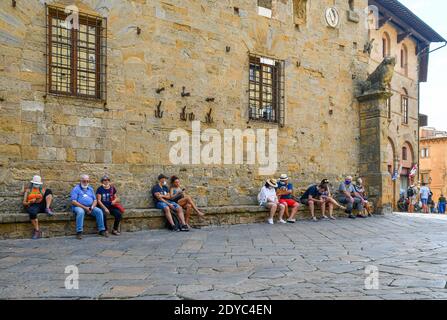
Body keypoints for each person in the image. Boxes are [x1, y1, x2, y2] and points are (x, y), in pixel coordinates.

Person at [71, 174, 107, 239]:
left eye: (87, 181)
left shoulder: (90, 189)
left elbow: (95, 200)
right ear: (81, 181)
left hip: (90, 207)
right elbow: (73, 201)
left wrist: (91, 208)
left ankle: (101, 230)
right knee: (81, 212)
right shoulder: (76, 189)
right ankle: (79, 232)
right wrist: (85, 208)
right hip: (78, 207)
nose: (86, 183)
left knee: (99, 211)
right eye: (84, 181)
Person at [22, 175, 55, 239]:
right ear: (32, 183)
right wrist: (30, 202)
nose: (36, 185)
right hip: (33, 205)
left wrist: (40, 197)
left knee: (48, 191)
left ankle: (47, 208)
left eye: (38, 183)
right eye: (35, 183)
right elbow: (24, 203)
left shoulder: (42, 190)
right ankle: (37, 231)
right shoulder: (28, 191)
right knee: (32, 213)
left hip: (42, 205)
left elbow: (48, 196)